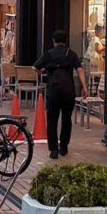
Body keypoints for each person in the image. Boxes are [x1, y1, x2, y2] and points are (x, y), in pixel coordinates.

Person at [34, 30, 88, 159]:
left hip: (53, 90)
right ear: (66, 41)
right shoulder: (71, 54)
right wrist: (84, 87)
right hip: (68, 91)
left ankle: (53, 150)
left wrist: (44, 71)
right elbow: (80, 70)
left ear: (53, 41)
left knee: (52, 120)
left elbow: (35, 67)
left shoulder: (48, 54)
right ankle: (63, 147)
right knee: (66, 119)